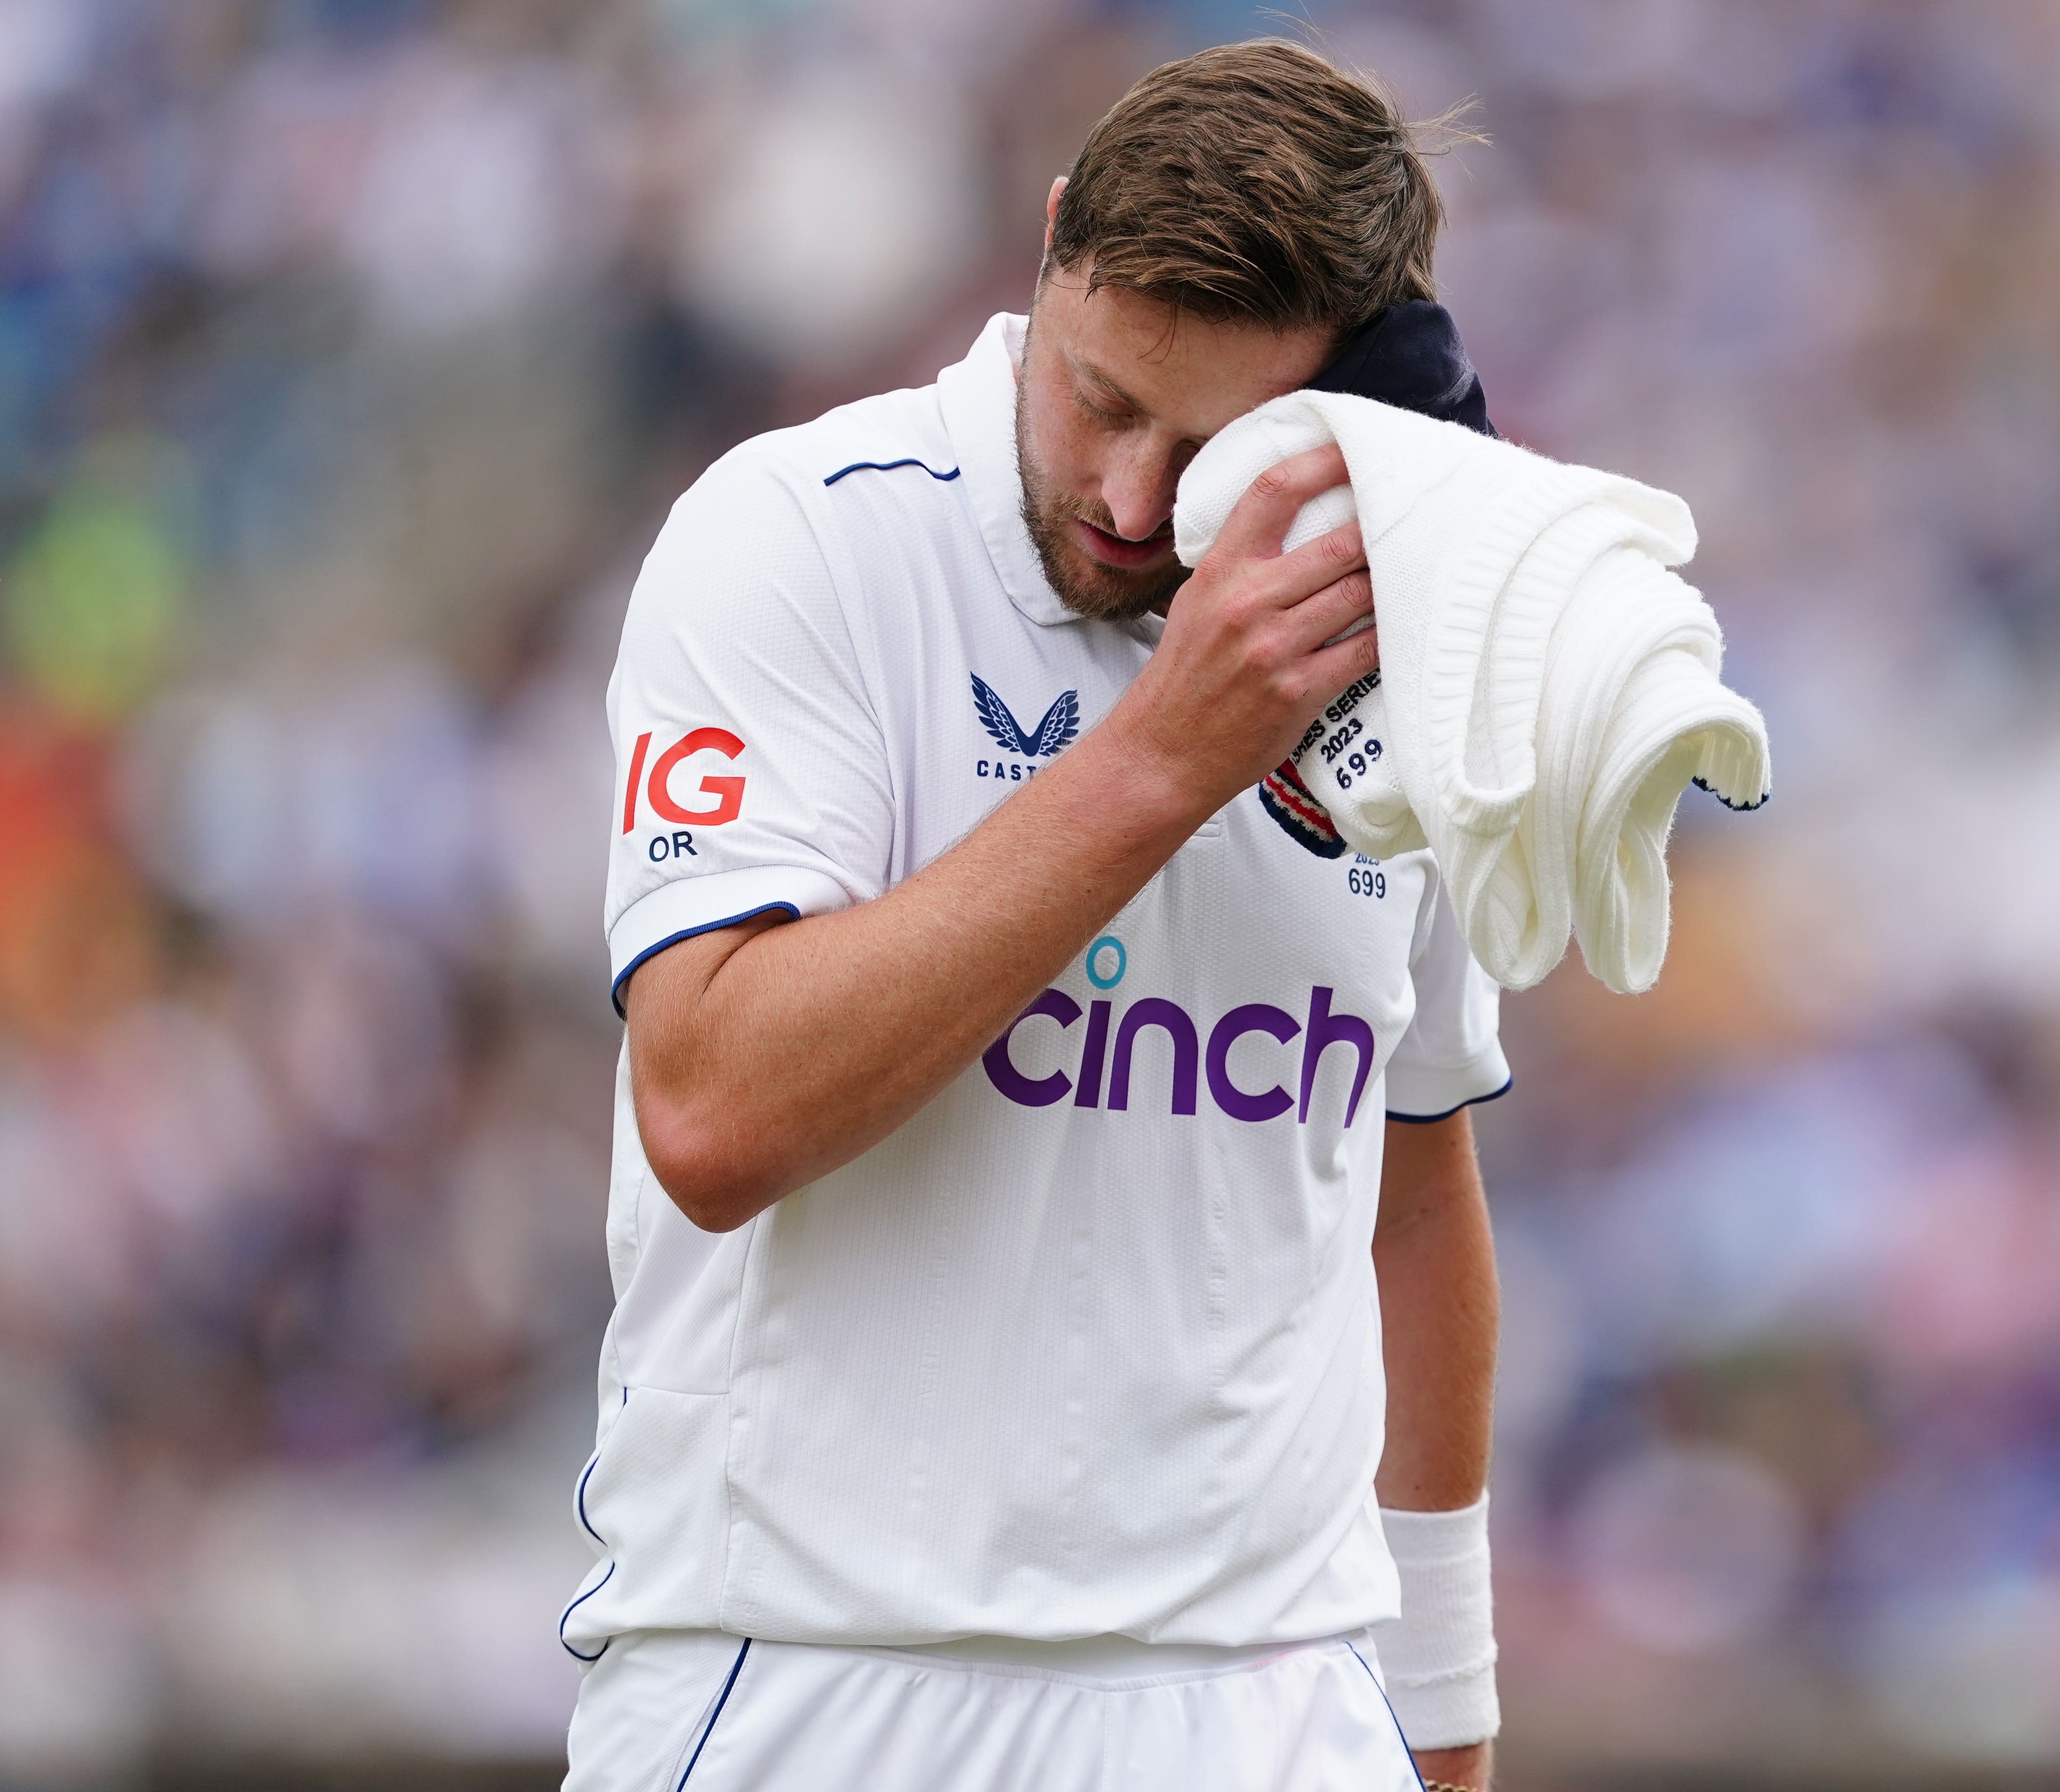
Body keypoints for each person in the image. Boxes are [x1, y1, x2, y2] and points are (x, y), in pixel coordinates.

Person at [564, 40, 1508, 1791]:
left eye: (1213, 441)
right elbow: (710, 1109)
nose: (1137, 502)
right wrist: (1162, 757)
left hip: (1272, 1690)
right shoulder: (798, 540)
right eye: (1103, 400)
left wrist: (1440, 1713)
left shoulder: (1402, 633)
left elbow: (1409, 1186)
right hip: (819, 1670)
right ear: (1054, 238)